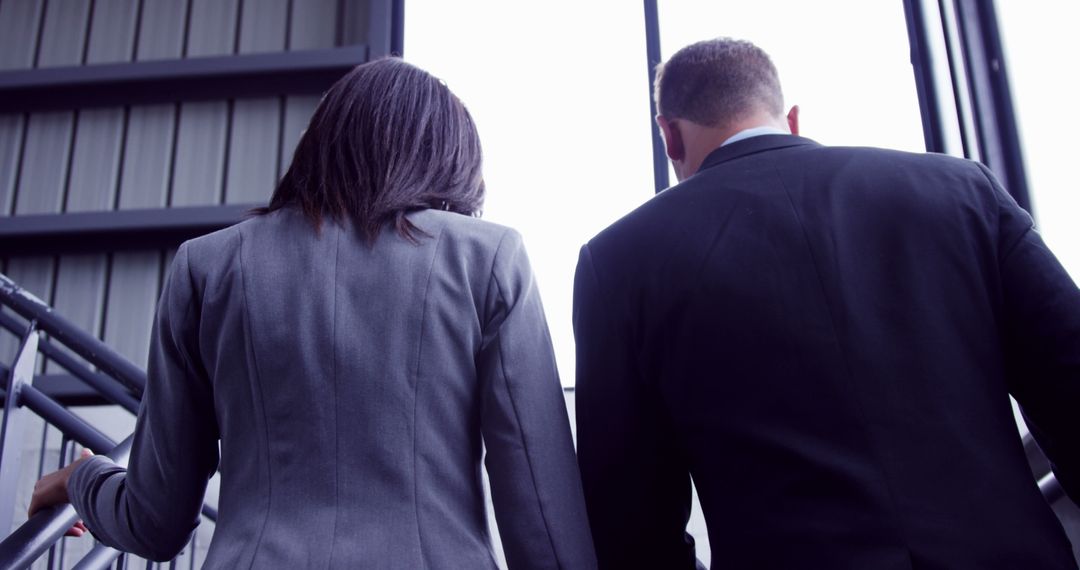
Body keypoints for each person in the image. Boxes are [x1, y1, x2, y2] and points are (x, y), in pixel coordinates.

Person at [30, 58, 597, 569]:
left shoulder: (206, 267)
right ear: (449, 161)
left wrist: (80, 476)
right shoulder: (489, 258)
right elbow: (546, 530)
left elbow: (154, 520)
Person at [573, 37, 1080, 569]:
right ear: (790, 118)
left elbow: (628, 525)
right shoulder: (961, 191)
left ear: (669, 135)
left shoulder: (619, 261)